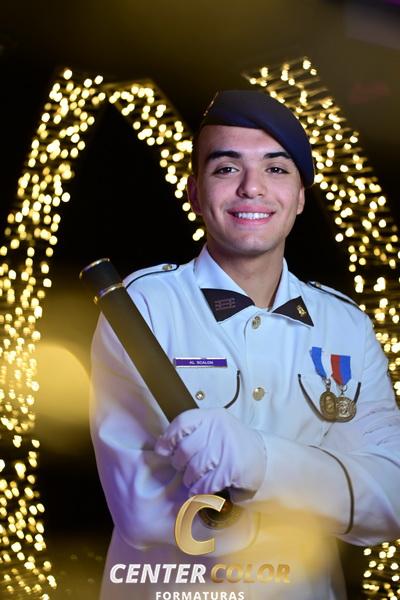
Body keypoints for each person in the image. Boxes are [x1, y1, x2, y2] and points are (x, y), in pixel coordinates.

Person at [90, 90, 400, 600]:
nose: (252, 187)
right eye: (227, 168)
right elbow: (143, 512)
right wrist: (328, 494)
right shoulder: (142, 309)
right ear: (195, 193)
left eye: (276, 169)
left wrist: (258, 463)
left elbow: (388, 500)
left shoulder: (347, 325)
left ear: (300, 196)